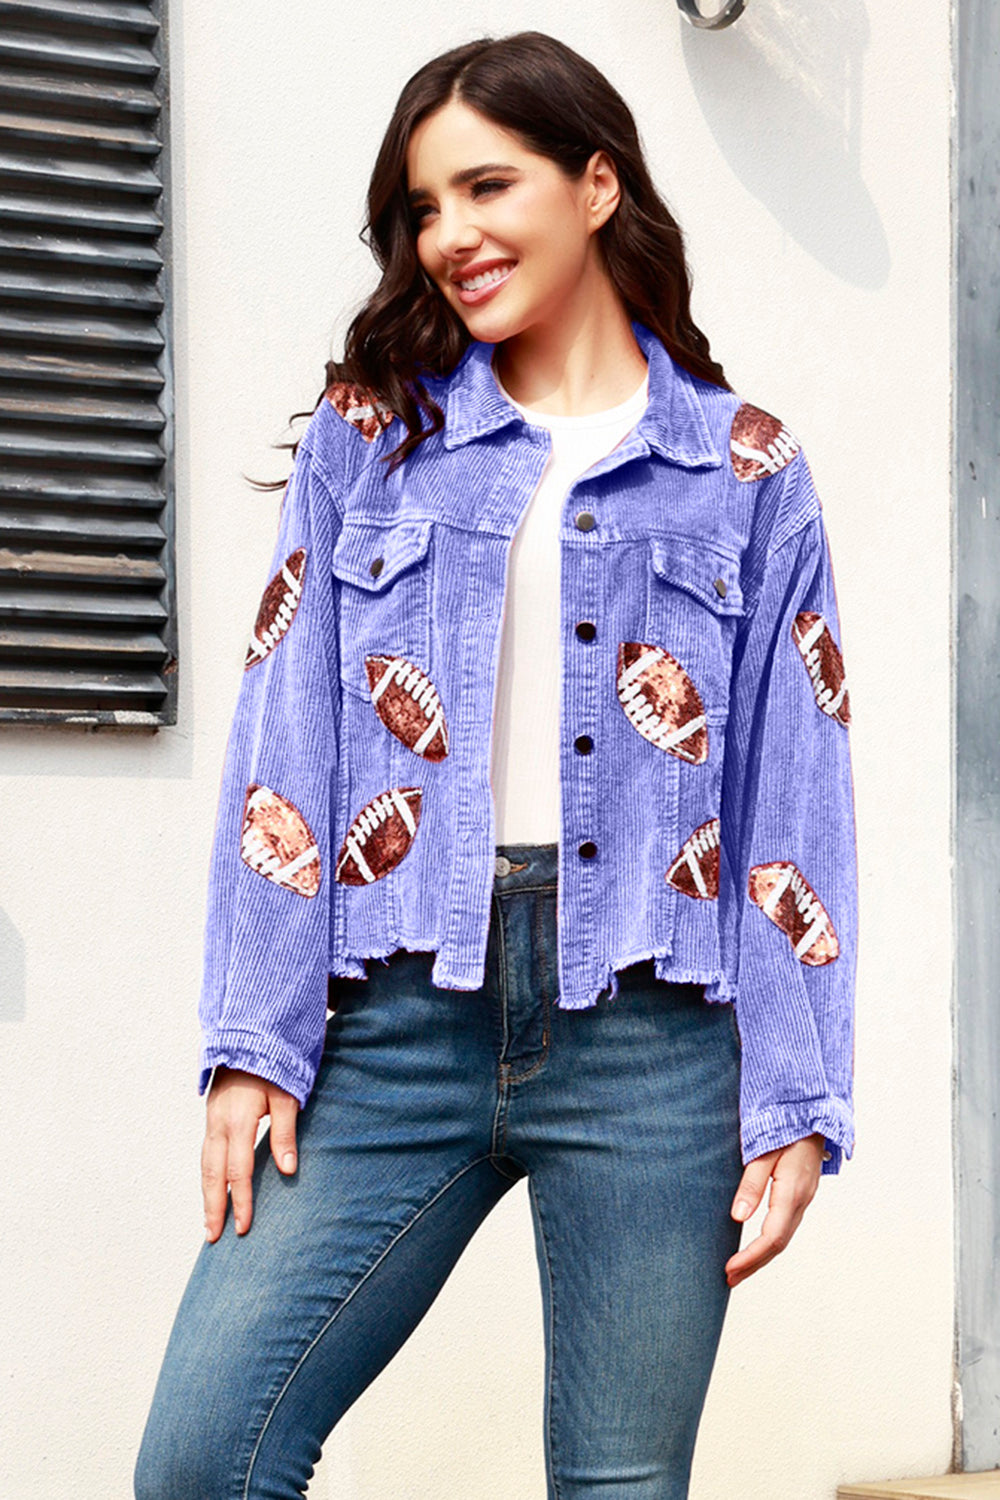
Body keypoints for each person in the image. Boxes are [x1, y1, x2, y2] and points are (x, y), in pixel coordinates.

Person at [134, 29, 857, 1500]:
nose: (448, 235)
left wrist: (800, 1091)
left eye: (486, 187)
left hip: (656, 1032)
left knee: (618, 1488)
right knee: (206, 1460)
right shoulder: (372, 438)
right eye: (422, 208)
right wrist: (255, 1037)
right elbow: (286, 743)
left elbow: (796, 796)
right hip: (399, 1010)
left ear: (597, 185)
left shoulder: (747, 471)